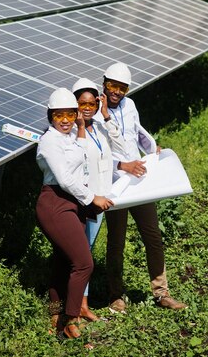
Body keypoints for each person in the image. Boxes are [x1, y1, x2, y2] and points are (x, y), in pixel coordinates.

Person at [101, 62, 187, 312]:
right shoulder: (95, 111)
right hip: (114, 183)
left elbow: (138, 132)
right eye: (112, 86)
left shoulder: (130, 106)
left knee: (153, 237)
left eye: (122, 88)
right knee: (116, 242)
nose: (117, 92)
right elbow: (96, 152)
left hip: (138, 181)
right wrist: (121, 165)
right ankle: (116, 296)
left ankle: (162, 294)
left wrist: (153, 148)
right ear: (103, 83)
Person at [35, 88, 114, 339]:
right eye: (59, 115)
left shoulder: (69, 136)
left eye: (70, 114)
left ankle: (56, 317)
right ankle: (72, 319)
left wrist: (81, 128)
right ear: (51, 116)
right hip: (55, 203)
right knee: (84, 263)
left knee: (63, 262)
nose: (66, 119)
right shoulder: (49, 141)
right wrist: (93, 199)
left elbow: (79, 153)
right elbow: (66, 179)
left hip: (72, 204)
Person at [70, 78, 126, 322]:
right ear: (74, 104)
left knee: (87, 253)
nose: (88, 107)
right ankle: (77, 306)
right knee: (81, 255)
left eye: (93, 103)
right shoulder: (70, 131)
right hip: (85, 201)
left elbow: (121, 147)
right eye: (83, 103)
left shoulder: (100, 126)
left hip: (102, 199)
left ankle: (82, 304)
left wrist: (106, 116)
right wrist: (80, 126)